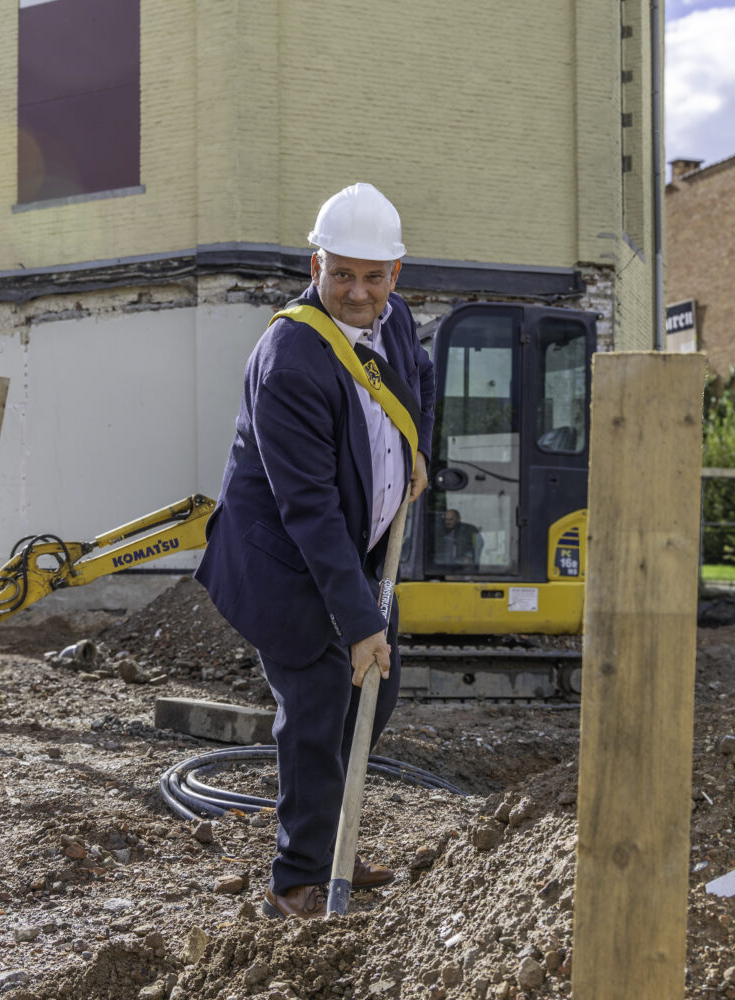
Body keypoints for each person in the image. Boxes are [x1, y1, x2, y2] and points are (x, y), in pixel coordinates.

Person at [194, 183, 436, 919]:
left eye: (372, 276)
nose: (357, 292)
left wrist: (419, 454)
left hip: (351, 548)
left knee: (378, 689)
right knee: (320, 699)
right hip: (285, 560)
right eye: (342, 274)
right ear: (316, 264)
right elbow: (310, 510)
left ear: (396, 274)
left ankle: (336, 839)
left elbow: (415, 387)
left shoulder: (395, 325)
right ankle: (298, 878)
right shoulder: (293, 357)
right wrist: (361, 623)